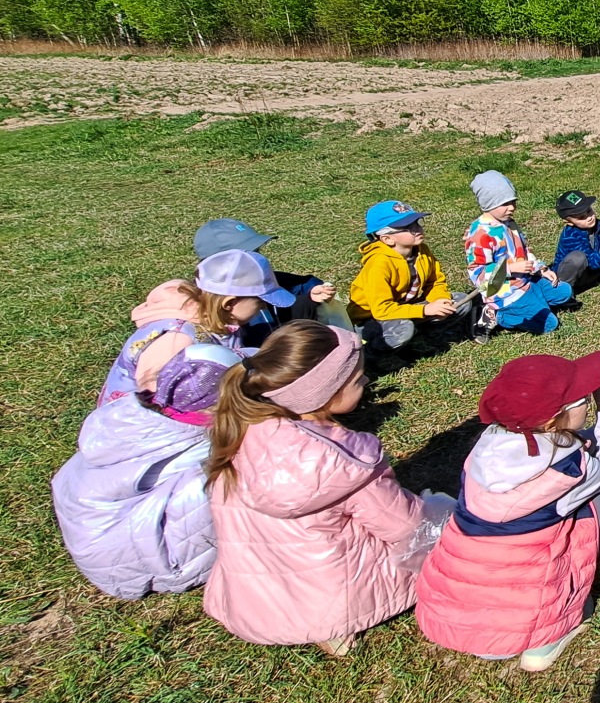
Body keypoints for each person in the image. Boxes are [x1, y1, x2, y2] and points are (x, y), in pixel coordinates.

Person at [203, 321, 426, 655]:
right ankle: (336, 623)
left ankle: (321, 624)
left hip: (251, 598)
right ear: (324, 393)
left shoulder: (240, 431)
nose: (366, 381)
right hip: (331, 599)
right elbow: (404, 527)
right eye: (356, 379)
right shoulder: (345, 461)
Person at [416, 352, 600, 672]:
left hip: (460, 612)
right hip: (522, 622)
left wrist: (588, 431)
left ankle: (520, 636)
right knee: (599, 502)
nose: (588, 400)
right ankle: (552, 635)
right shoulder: (570, 470)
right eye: (582, 399)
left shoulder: (490, 442)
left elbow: (557, 442)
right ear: (556, 419)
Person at [52, 343, 242, 598]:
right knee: (233, 483)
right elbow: (204, 501)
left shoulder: (129, 416)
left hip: (94, 537)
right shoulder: (196, 448)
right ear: (217, 404)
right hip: (133, 568)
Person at [98, 250, 293, 407]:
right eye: (260, 303)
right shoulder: (178, 339)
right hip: (145, 432)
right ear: (229, 303)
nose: (264, 308)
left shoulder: (222, 322)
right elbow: (155, 396)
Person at [349, 200, 476, 351]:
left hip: (405, 307)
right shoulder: (378, 264)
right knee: (404, 328)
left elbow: (435, 281)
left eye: (417, 223)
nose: (417, 229)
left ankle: (421, 337)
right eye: (408, 227)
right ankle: (370, 351)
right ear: (387, 239)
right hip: (372, 319)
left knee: (461, 301)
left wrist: (440, 299)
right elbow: (381, 310)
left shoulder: (422, 250)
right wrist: (425, 310)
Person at [193, 218, 336, 346]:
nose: (258, 258)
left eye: (258, 251)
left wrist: (311, 290)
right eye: (248, 254)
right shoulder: (201, 311)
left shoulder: (258, 279)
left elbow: (297, 284)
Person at [466, 171, 575, 334]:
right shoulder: (480, 234)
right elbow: (477, 273)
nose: (512, 207)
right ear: (488, 204)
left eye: (513, 201)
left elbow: (524, 251)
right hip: (503, 292)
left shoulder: (508, 223)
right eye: (505, 204)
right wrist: (510, 268)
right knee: (549, 324)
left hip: (527, 280)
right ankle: (495, 314)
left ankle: (534, 302)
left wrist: (541, 269)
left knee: (564, 292)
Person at [553, 189, 600, 292]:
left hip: (591, 270)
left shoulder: (599, 225)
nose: (589, 218)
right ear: (569, 222)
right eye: (581, 217)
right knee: (578, 258)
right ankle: (563, 290)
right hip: (572, 275)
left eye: (589, 211)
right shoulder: (570, 236)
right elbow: (590, 262)